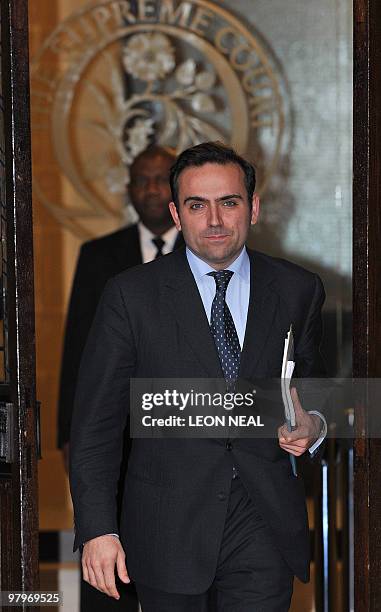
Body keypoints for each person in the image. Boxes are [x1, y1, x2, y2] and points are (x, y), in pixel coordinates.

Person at [70, 142, 327, 611]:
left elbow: (311, 387)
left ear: (253, 208)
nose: (214, 220)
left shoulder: (297, 290)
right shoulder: (131, 296)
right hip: (166, 527)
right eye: (196, 205)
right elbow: (95, 424)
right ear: (176, 212)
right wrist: (97, 529)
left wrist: (313, 424)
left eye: (228, 202)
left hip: (263, 523)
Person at [57, 145, 183, 611]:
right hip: (117, 428)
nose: (150, 188)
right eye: (141, 179)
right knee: (108, 542)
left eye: (160, 178)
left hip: (185, 430)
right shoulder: (99, 255)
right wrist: (68, 436)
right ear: (128, 189)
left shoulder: (207, 254)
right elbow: (77, 352)